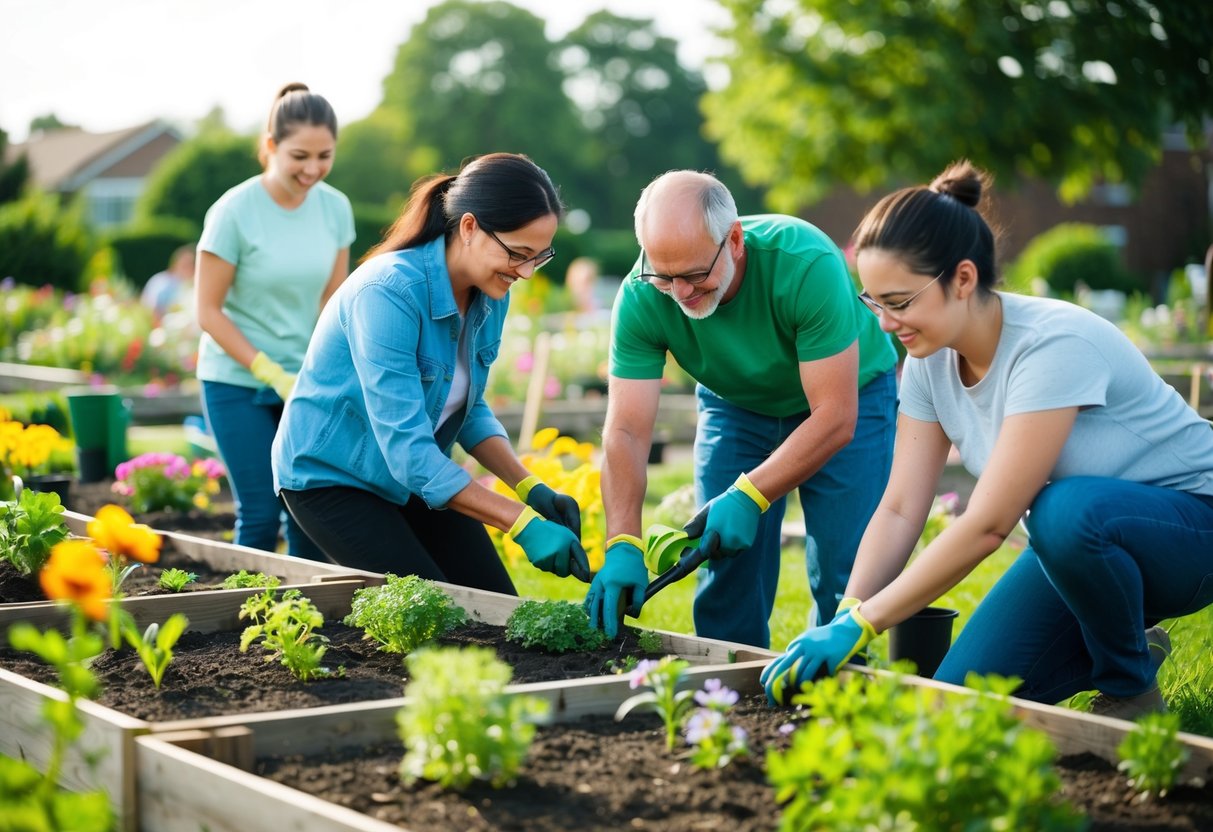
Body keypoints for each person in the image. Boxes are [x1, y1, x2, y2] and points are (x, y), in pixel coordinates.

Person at [761, 161, 1213, 719]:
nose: (884, 323)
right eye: (873, 302)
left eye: (898, 302)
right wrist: (846, 614)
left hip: (1191, 530)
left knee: (1061, 510)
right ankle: (1119, 636)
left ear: (964, 279)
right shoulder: (930, 361)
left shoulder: (1052, 345)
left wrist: (866, 621)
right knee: (955, 706)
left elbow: (991, 523)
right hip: (1083, 549)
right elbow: (902, 506)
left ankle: (1129, 689)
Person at [584, 170, 899, 646]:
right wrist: (623, 540)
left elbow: (835, 417)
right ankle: (730, 697)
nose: (681, 293)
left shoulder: (803, 261)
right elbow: (626, 429)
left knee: (844, 564)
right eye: (664, 277)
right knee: (725, 565)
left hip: (847, 396)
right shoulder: (642, 294)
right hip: (735, 404)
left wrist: (752, 494)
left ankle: (838, 687)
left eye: (693, 274)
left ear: (734, 239)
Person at [272, 153, 590, 590]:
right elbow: (406, 449)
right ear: (469, 227)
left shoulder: (491, 293)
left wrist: (531, 488)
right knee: (435, 615)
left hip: (415, 476)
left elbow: (469, 409)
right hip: (332, 478)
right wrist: (520, 524)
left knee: (495, 603)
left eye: (539, 257)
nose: (527, 272)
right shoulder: (388, 292)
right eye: (518, 253)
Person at [196, 83, 354, 558]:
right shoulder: (234, 211)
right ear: (270, 146)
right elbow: (207, 311)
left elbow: (333, 300)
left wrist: (324, 373)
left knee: (308, 509)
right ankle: (245, 619)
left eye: (324, 156)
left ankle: (304, 621)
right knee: (261, 511)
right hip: (235, 382)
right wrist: (266, 370)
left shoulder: (335, 208)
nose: (312, 169)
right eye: (299, 156)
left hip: (305, 382)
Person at [141, 243, 196, 322]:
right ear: (175, 263)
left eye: (191, 265)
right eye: (185, 265)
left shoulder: (188, 285)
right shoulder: (161, 281)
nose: (189, 268)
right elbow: (152, 308)